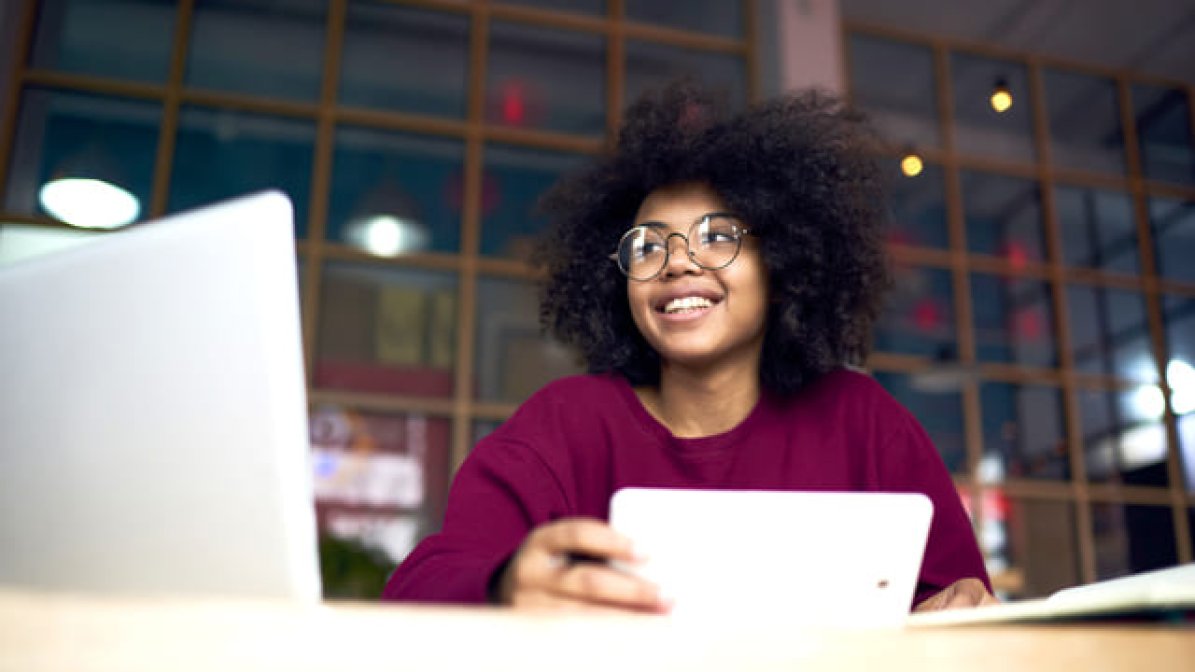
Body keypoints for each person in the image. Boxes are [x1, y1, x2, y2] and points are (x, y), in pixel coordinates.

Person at [382, 80, 994, 613]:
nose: (677, 263)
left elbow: (965, 608)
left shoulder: (862, 422)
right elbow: (419, 587)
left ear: (781, 264)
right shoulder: (567, 425)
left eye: (717, 236)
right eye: (648, 246)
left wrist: (967, 608)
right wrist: (504, 587)